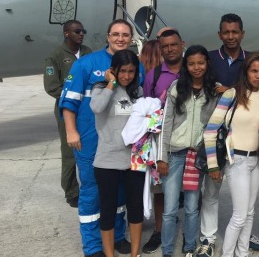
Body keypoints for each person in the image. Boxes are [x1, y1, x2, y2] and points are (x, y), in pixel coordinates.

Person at [60, 19, 144, 257]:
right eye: (115, 34)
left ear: (130, 38)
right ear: (108, 36)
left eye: (125, 35)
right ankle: (93, 245)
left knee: (117, 195)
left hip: (123, 144)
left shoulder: (135, 66)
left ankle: (117, 237)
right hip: (89, 139)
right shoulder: (86, 64)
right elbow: (69, 99)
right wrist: (71, 130)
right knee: (92, 192)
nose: (120, 39)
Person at [201, 13, 259, 256]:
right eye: (226, 32)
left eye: (235, 32)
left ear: (242, 33)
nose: (231, 36)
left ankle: (242, 252)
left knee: (248, 212)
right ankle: (214, 243)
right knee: (230, 209)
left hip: (256, 159)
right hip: (231, 155)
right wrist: (212, 165)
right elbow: (211, 129)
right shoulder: (213, 65)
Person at [156, 46, 220, 257]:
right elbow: (166, 124)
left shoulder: (214, 90)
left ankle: (189, 247)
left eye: (200, 63)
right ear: (186, 66)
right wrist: (161, 157)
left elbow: (219, 123)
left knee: (192, 207)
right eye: (191, 63)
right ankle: (166, 250)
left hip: (196, 155)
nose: (196, 67)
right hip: (174, 154)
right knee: (170, 209)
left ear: (207, 64)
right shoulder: (177, 87)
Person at [90, 50, 144, 257]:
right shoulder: (100, 89)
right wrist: (111, 84)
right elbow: (96, 108)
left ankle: (134, 253)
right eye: (122, 71)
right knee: (108, 209)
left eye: (131, 71)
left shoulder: (137, 91)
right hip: (107, 160)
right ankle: (109, 254)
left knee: (135, 207)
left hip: (133, 159)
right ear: (113, 70)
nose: (127, 76)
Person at [141, 28, 185, 254]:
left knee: (192, 191)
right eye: (165, 46)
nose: (169, 49)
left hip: (190, 141)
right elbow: (147, 108)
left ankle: (191, 233)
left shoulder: (193, 70)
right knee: (160, 190)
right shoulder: (154, 76)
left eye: (173, 45)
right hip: (162, 142)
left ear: (182, 45)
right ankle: (159, 231)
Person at [44, 20, 92, 208]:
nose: (81, 34)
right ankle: (72, 192)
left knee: (90, 146)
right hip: (67, 109)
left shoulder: (88, 52)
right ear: (66, 33)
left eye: (83, 31)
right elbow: (51, 86)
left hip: (88, 108)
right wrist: (72, 96)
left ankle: (91, 186)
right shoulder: (55, 56)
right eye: (77, 31)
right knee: (70, 150)